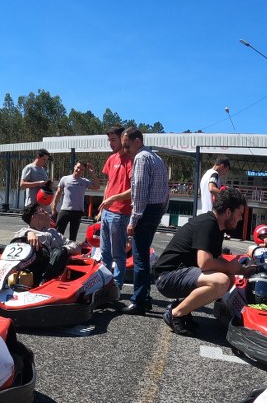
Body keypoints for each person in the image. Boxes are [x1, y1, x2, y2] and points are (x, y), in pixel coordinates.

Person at [153, 187, 253, 336]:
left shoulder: (217, 228)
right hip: (167, 277)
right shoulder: (207, 224)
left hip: (179, 273)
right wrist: (231, 267)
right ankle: (175, 314)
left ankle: (184, 308)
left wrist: (243, 270)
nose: (240, 219)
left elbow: (217, 260)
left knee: (230, 279)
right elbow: (205, 262)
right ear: (228, 212)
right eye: (240, 214)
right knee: (221, 281)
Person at [122, 127, 170, 314]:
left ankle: (139, 301)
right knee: (144, 257)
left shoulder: (141, 158)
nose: (126, 151)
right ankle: (146, 297)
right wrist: (160, 211)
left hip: (145, 211)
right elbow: (166, 191)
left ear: (137, 141)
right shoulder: (157, 158)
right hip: (156, 209)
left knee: (140, 258)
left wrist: (133, 221)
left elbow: (140, 192)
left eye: (127, 146)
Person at [97, 125, 133, 290]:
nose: (110, 143)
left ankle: (116, 286)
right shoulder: (111, 159)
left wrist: (114, 199)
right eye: (109, 140)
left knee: (118, 254)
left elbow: (134, 189)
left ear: (122, 139)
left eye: (113, 140)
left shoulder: (131, 160)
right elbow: (109, 184)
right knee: (104, 252)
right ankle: (104, 283)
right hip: (106, 212)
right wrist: (103, 204)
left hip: (120, 213)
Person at [9, 201, 80, 284]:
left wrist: (65, 249)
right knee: (0, 250)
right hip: (21, 265)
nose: (46, 212)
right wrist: (29, 233)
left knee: (60, 252)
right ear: (34, 217)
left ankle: (43, 282)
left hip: (45, 267)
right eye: (42, 211)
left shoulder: (53, 233)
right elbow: (14, 242)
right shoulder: (23, 232)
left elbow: (77, 247)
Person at [52, 161, 99, 242]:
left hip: (77, 212)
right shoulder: (65, 179)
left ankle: (70, 251)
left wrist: (93, 173)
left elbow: (97, 187)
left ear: (83, 171)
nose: (79, 170)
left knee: (73, 236)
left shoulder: (84, 181)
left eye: (81, 169)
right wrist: (54, 208)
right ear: (74, 167)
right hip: (65, 210)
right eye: (78, 167)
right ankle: (57, 250)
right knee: (58, 233)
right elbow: (58, 193)